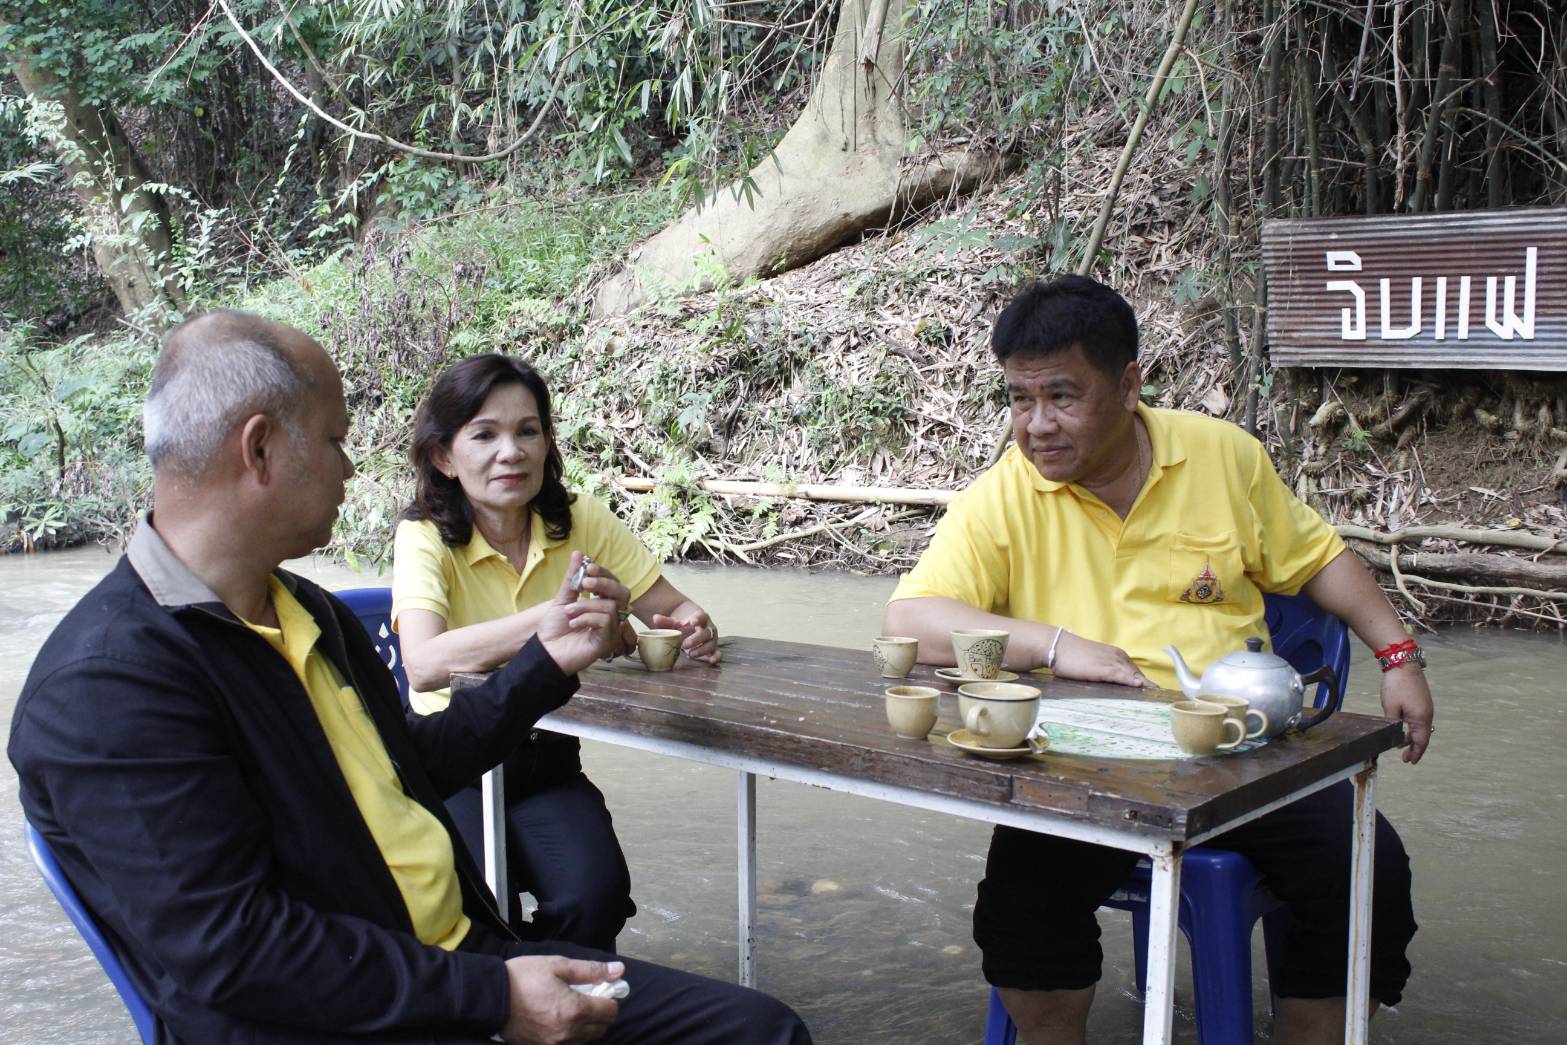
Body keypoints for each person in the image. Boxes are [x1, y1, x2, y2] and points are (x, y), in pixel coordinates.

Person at [9, 312, 811, 1045]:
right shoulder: (107, 687)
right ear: (258, 449)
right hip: (358, 1019)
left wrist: (545, 664)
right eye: (333, 440)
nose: (351, 467)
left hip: (459, 964)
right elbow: (235, 951)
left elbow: (410, 769)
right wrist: (491, 996)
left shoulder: (304, 611)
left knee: (761, 1030)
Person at [884, 275, 1433, 1045]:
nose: (1036, 425)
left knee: (1365, 870)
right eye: (1018, 399)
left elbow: (1317, 561)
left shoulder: (1220, 457)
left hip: (1243, 745)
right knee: (1020, 906)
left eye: (1061, 396)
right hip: (1084, 759)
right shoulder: (1007, 493)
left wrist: (1399, 654)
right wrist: (1055, 645)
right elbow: (912, 618)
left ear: (1129, 383)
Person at [391, 354, 719, 951]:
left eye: (527, 431)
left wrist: (692, 628)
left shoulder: (578, 519)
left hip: (544, 759)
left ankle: (571, 1005)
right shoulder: (425, 536)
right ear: (444, 456)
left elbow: (669, 608)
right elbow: (424, 660)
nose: (510, 452)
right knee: (477, 911)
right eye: (484, 435)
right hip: (451, 763)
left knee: (593, 900)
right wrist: (550, 624)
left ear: (546, 442)